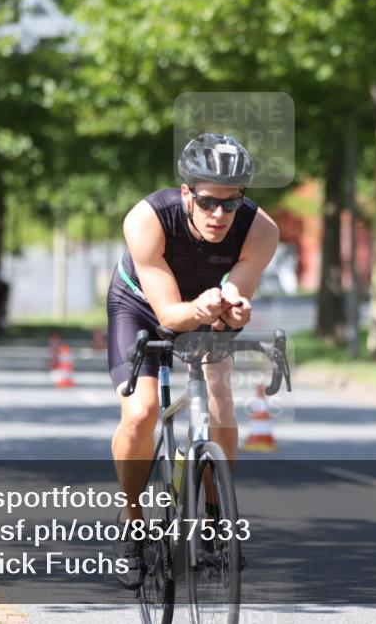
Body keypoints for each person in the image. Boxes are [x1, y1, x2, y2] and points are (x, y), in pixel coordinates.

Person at [107, 133, 279, 589]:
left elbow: (236, 292)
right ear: (186, 193)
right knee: (142, 412)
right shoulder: (147, 220)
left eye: (232, 203)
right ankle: (132, 521)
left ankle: (216, 514)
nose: (220, 215)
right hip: (142, 305)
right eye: (207, 203)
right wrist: (200, 310)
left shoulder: (262, 230)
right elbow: (168, 315)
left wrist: (235, 308)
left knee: (220, 393)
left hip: (209, 307)